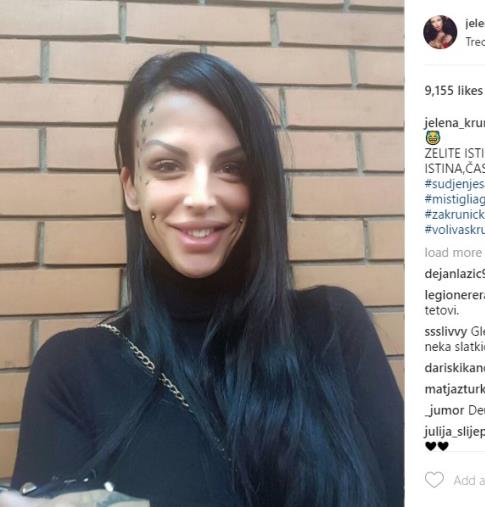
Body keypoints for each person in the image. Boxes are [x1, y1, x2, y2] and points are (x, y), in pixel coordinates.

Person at [4, 53, 404, 507]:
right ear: (131, 186)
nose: (201, 197)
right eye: (167, 166)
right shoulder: (73, 371)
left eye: (231, 168)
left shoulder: (332, 327)